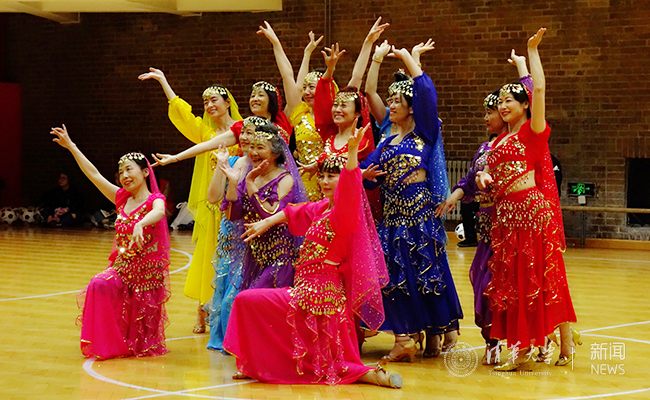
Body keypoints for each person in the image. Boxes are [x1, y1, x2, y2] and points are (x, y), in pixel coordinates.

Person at [222, 123, 401, 388]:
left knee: (246, 301)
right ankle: (256, 364)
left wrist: (352, 153)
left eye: (332, 177)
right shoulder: (322, 208)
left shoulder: (344, 214)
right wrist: (265, 222)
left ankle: (368, 375)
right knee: (251, 304)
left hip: (319, 295)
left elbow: (351, 187)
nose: (325, 181)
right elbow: (292, 212)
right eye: (323, 176)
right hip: (305, 290)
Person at [476, 29, 579, 370]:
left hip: (531, 214)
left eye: (510, 101)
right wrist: (483, 178)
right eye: (500, 102)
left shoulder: (533, 133)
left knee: (538, 279)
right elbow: (490, 174)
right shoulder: (498, 141)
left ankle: (525, 350)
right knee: (519, 282)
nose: (503, 106)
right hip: (506, 218)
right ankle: (560, 342)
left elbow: (541, 89)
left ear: (525, 105)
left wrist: (531, 52)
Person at [360, 44, 463, 360]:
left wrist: (408, 58)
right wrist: (363, 173)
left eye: (396, 101)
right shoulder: (387, 141)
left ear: (412, 107)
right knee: (396, 280)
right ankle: (406, 335)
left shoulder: (425, 134)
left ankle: (435, 333)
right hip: (392, 221)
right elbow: (367, 172)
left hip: (420, 218)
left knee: (427, 275)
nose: (390, 105)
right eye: (389, 100)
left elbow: (427, 93)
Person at [434, 52, 534, 364]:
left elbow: (532, 93)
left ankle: (523, 341)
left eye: (492, 111)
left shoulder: (519, 140)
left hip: (511, 225)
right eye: (489, 110)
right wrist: (454, 196)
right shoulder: (485, 148)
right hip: (487, 229)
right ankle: (491, 340)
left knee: (508, 285)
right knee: (482, 282)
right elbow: (468, 181)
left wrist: (524, 65)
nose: (488, 116)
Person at [50, 125, 170, 360]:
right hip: (123, 269)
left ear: (145, 172)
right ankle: (108, 343)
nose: (124, 176)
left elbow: (159, 211)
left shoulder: (155, 199)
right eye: (121, 172)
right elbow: (94, 175)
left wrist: (141, 223)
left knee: (141, 346)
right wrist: (72, 147)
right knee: (98, 284)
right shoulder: (121, 198)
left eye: (129, 169)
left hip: (146, 276)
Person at [139, 68, 243, 333]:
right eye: (205, 102)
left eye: (213, 100)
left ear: (227, 102)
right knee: (209, 257)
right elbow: (183, 114)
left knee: (234, 258)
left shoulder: (242, 131)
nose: (209, 106)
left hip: (235, 204)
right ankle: (202, 309)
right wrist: (164, 81)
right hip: (212, 207)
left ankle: (232, 313)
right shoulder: (206, 134)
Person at [219, 123, 308, 289]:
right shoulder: (250, 177)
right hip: (254, 256)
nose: (253, 152)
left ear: (275, 153)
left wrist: (251, 184)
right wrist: (233, 183)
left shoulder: (285, 179)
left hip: (280, 258)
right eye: (252, 147)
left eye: (260, 147)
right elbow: (232, 215)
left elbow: (270, 215)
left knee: (255, 299)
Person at [204, 116, 260, 353]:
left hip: (250, 234)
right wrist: (222, 166)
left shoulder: (264, 167)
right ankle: (224, 338)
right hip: (228, 233)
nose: (244, 137)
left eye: (251, 132)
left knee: (236, 292)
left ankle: (239, 340)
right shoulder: (233, 161)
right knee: (224, 285)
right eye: (243, 132)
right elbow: (213, 197)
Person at [257, 22, 326, 201]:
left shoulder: (334, 115)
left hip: (329, 182)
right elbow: (287, 76)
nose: (306, 92)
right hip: (303, 184)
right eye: (305, 88)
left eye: (312, 87)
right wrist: (276, 43)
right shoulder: (300, 113)